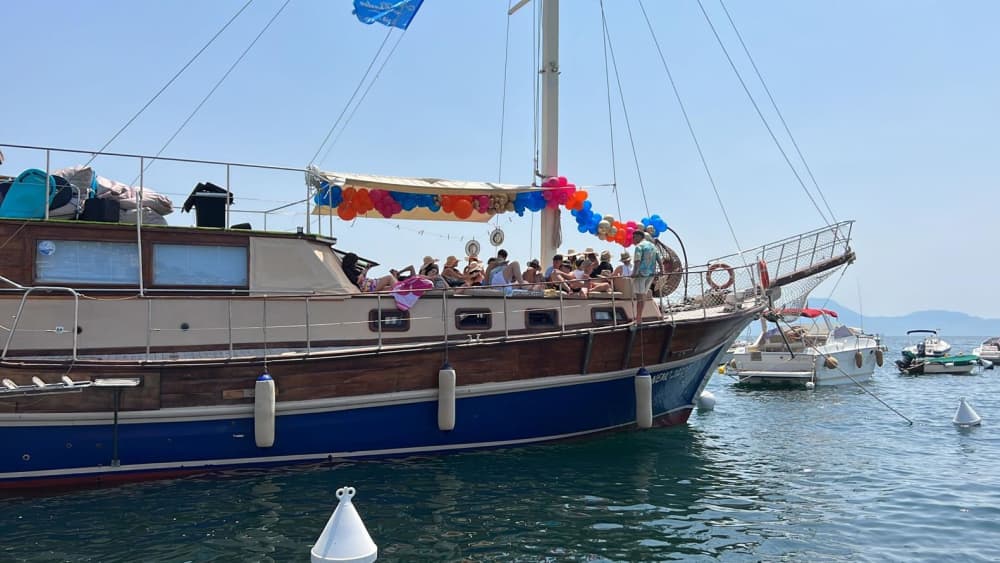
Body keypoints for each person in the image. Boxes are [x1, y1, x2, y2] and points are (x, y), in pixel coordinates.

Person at [631, 231, 662, 324]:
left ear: (639, 236)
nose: (633, 239)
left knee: (639, 296)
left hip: (641, 274)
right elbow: (659, 259)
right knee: (643, 295)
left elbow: (637, 261)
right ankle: (639, 317)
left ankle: (638, 318)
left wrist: (634, 273)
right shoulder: (652, 246)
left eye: (634, 237)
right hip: (651, 274)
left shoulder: (639, 246)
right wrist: (662, 270)